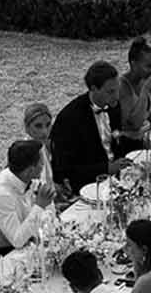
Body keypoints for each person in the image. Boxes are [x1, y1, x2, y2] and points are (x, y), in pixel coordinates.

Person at [49, 60, 139, 194]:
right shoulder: (70, 118)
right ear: (93, 89)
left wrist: (144, 143)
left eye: (117, 90)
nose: (117, 96)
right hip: (89, 186)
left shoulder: (113, 105)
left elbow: (117, 140)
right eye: (110, 91)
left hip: (117, 179)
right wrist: (106, 168)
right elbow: (66, 169)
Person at [117, 37, 151, 138]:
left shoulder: (142, 80)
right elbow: (134, 124)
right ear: (134, 64)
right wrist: (145, 90)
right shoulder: (122, 87)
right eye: (149, 66)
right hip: (129, 146)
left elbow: (145, 112)